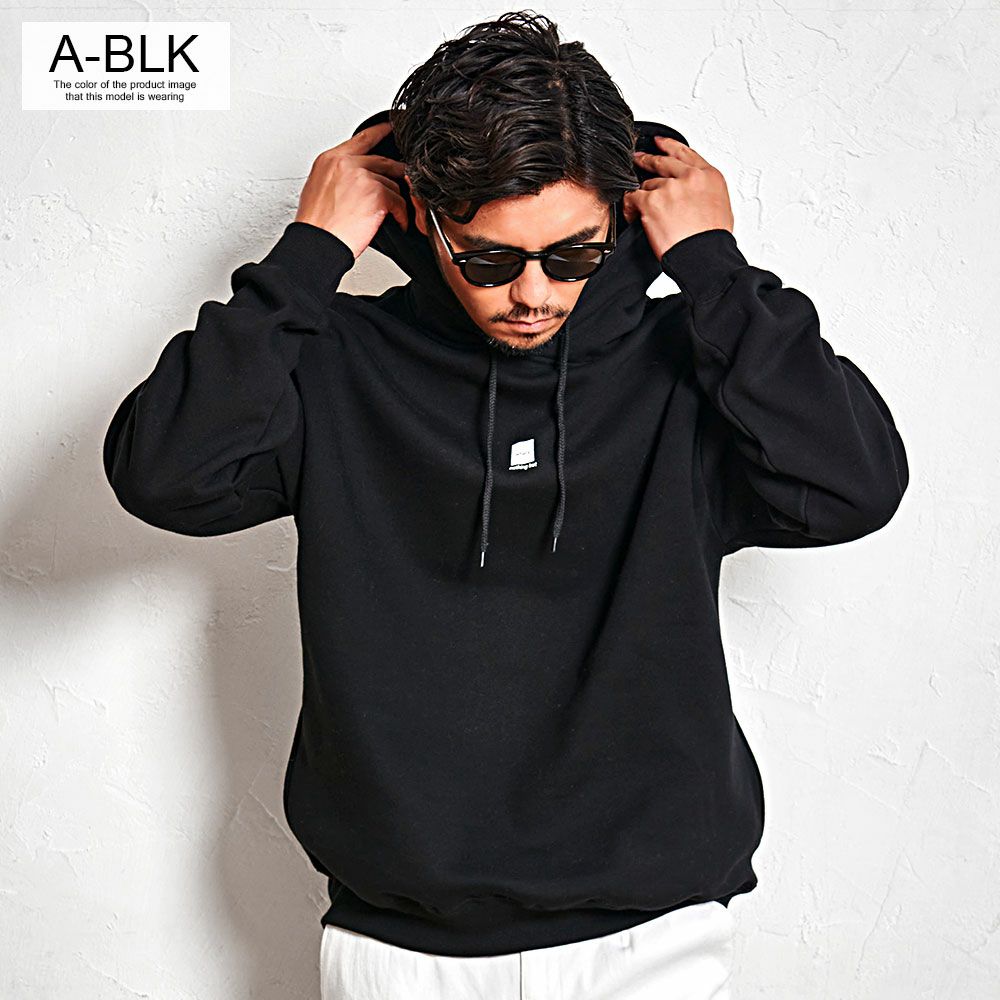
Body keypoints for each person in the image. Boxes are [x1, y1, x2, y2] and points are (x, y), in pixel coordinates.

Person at [101, 10, 909, 998]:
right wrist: (307, 254)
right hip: (399, 946)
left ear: (620, 218)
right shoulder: (333, 365)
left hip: (651, 935)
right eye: (488, 258)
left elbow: (852, 487)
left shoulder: (688, 364)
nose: (532, 293)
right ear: (422, 220)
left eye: (572, 255)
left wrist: (716, 269)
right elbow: (162, 475)